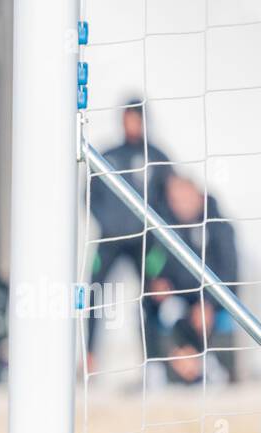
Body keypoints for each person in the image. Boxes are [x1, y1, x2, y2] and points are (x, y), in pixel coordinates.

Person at [87, 101, 172, 369]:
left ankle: (153, 361)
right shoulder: (107, 155)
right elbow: (89, 197)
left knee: (152, 296)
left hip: (145, 243)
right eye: (127, 119)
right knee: (95, 293)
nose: (131, 125)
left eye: (136, 119)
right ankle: (89, 357)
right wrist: (111, 223)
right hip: (109, 241)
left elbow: (168, 200)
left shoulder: (157, 157)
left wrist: (148, 226)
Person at [146, 173, 239, 384]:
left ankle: (213, 367)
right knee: (161, 309)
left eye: (185, 198)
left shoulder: (220, 227)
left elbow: (230, 274)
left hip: (213, 301)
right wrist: (156, 280)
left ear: (198, 196)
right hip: (180, 300)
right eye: (175, 201)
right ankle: (168, 366)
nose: (180, 205)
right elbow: (152, 262)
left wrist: (210, 304)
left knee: (213, 317)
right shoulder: (166, 228)